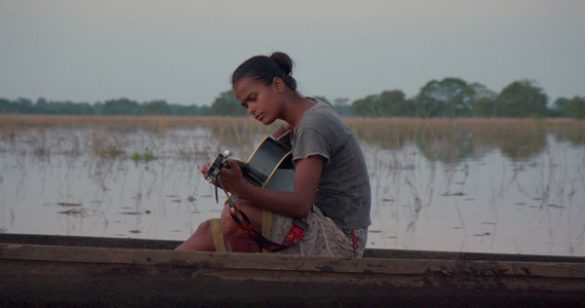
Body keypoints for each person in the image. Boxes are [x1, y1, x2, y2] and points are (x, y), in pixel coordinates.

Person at [176, 52, 371, 257]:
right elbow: (264, 171)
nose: (251, 109)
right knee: (207, 232)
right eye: (246, 105)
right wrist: (234, 177)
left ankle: (256, 281)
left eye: (253, 98)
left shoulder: (312, 125)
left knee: (236, 215)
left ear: (278, 85)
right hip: (317, 225)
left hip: (342, 241)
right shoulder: (299, 119)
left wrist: (240, 187)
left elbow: (300, 205)